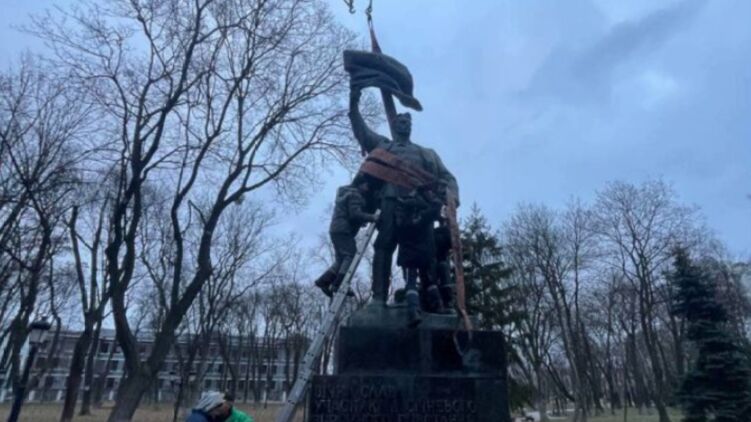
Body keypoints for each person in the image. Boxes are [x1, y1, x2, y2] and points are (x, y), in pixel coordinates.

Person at [349, 87, 458, 307]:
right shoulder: (383, 146)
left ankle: (431, 301)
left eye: (408, 122)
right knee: (384, 246)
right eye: (401, 122)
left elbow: (447, 178)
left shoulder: (426, 153)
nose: (405, 125)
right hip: (391, 203)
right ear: (394, 125)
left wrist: (452, 199)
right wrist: (353, 105)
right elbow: (362, 131)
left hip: (421, 208)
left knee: (427, 252)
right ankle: (379, 299)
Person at [313, 174, 378, 298]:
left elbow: (349, 213)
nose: (368, 189)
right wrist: (372, 217)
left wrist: (360, 221)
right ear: (360, 184)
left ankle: (324, 281)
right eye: (366, 185)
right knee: (350, 255)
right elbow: (355, 214)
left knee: (341, 259)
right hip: (343, 230)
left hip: (336, 229)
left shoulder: (345, 193)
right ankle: (339, 284)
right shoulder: (355, 195)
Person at [395, 187, 445, 326]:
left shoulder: (401, 215)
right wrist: (434, 197)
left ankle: (414, 310)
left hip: (408, 255)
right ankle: (438, 306)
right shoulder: (423, 213)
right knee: (429, 282)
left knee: (411, 283)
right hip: (424, 254)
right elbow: (436, 208)